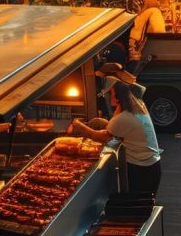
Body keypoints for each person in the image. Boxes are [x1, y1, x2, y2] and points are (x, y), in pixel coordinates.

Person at [69, 63, 162, 195]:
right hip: (152, 166)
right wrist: (105, 124)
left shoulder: (123, 117)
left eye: (111, 92)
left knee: (135, 203)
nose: (108, 94)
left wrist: (80, 127)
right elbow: (118, 128)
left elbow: (102, 137)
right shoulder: (137, 105)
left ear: (117, 93)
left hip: (141, 171)